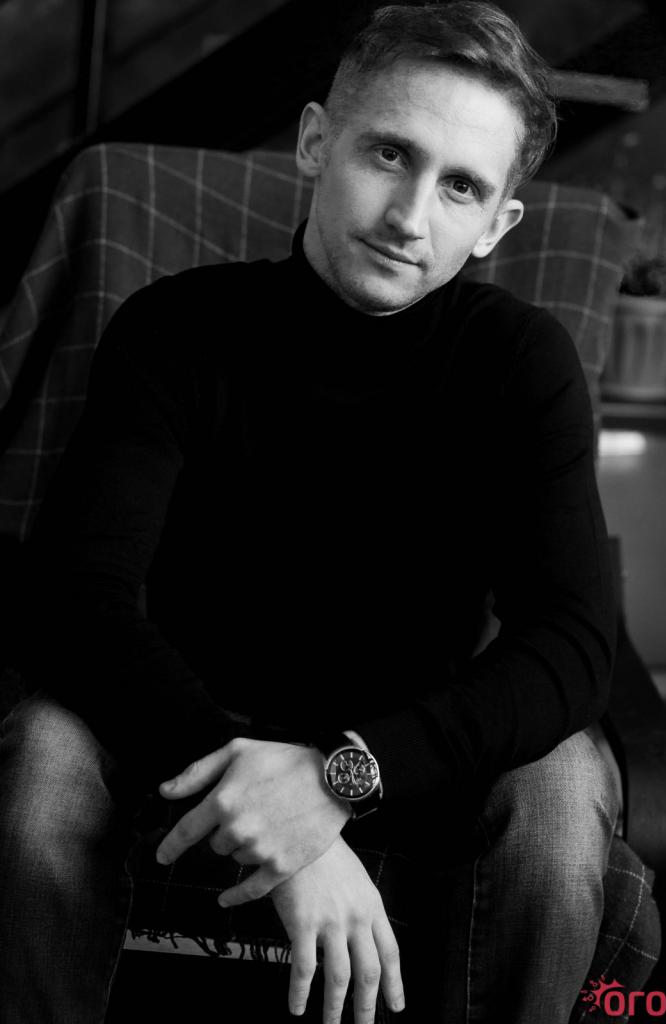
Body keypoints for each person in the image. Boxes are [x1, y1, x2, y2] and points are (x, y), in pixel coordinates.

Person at [0, 2, 620, 1022]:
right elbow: (75, 596)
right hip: (187, 728)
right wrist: (275, 821)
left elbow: (573, 641)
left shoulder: (520, 361)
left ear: (494, 225)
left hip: (411, 749)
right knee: (42, 755)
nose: (409, 215)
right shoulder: (175, 329)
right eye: (389, 153)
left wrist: (339, 778)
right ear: (315, 142)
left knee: (560, 790)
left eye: (460, 185)